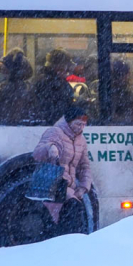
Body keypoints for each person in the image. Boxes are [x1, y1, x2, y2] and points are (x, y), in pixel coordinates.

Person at [32, 100, 94, 234]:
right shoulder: (55, 132)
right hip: (54, 186)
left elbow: (84, 166)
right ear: (69, 122)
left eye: (84, 125)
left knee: (69, 219)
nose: (81, 128)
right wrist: (50, 148)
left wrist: (83, 187)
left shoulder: (81, 140)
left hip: (69, 187)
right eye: (78, 124)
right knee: (71, 214)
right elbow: (37, 154)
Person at [31, 48, 75, 125]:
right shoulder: (55, 84)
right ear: (58, 67)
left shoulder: (41, 80)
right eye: (65, 67)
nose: (67, 71)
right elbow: (59, 110)